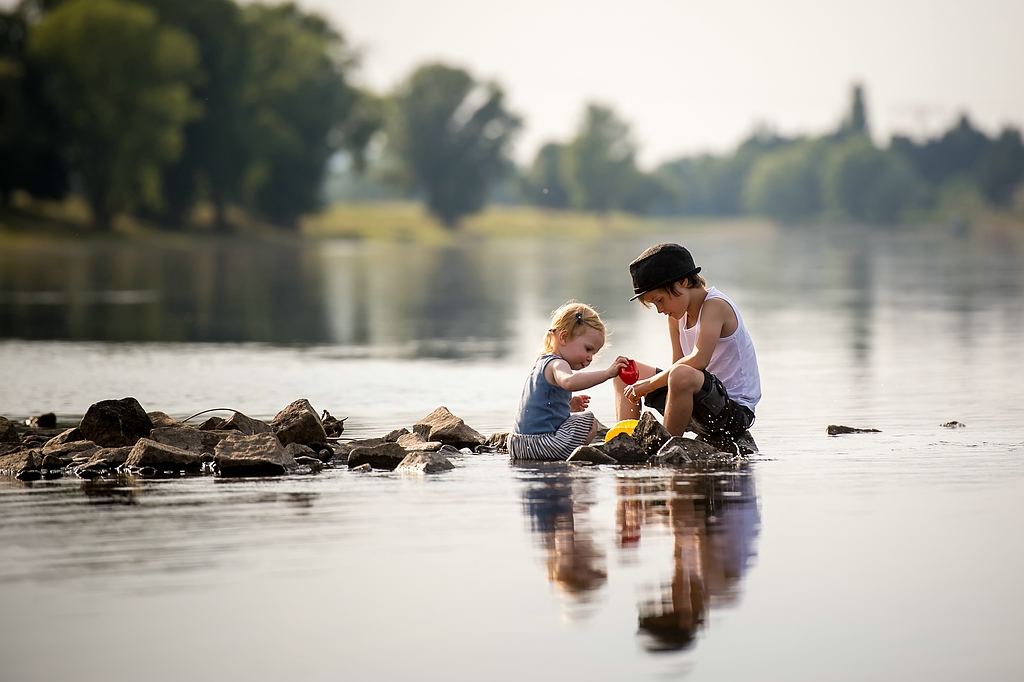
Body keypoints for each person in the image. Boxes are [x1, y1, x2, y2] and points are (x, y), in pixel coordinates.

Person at [614, 243, 760, 439]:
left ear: (683, 282)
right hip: (697, 401)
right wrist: (642, 383)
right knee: (624, 370)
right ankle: (625, 438)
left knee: (680, 374)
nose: (659, 309)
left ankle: (667, 447)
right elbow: (676, 366)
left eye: (659, 300)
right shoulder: (676, 318)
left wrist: (648, 385)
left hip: (732, 412)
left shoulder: (715, 306)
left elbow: (698, 361)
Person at [508, 302, 628, 461]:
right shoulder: (558, 363)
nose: (590, 358)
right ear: (563, 337)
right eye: (588, 349)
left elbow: (541, 404)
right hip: (541, 445)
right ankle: (571, 457)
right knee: (589, 421)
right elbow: (569, 382)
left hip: (517, 443)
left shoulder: (541, 363)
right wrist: (607, 373)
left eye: (594, 353)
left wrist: (567, 405)